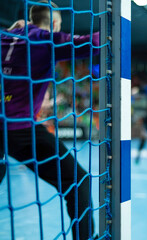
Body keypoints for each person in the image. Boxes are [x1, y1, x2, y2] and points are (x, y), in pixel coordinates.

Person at [0, 1, 99, 239]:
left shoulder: (5, 37)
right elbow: (95, 43)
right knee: (78, 182)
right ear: (54, 23)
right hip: (19, 129)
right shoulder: (46, 40)